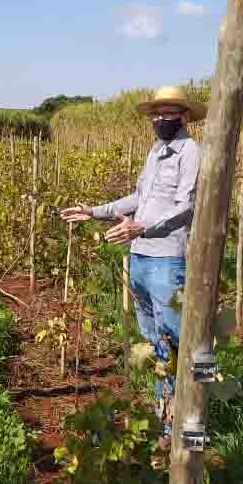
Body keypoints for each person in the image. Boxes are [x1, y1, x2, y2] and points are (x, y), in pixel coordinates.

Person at [60, 85, 205, 439]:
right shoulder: (156, 151)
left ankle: (187, 426)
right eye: (155, 114)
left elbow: (186, 206)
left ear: (184, 116)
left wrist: (144, 227)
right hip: (139, 256)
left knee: (174, 341)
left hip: (167, 260)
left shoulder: (191, 152)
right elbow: (138, 197)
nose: (159, 119)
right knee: (154, 339)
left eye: (167, 113)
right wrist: (94, 212)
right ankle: (165, 416)